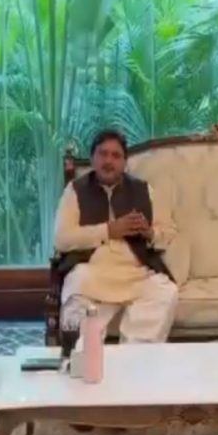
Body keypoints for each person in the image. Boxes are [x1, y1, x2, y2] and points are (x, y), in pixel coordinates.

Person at [55, 129, 178, 343]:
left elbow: (167, 232)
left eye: (115, 156)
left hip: (136, 273)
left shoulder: (144, 190)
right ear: (92, 159)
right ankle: (88, 353)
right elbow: (62, 239)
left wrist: (149, 232)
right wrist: (110, 230)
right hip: (92, 273)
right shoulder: (74, 191)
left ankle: (134, 354)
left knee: (164, 291)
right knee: (77, 291)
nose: (108, 161)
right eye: (103, 154)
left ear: (124, 163)